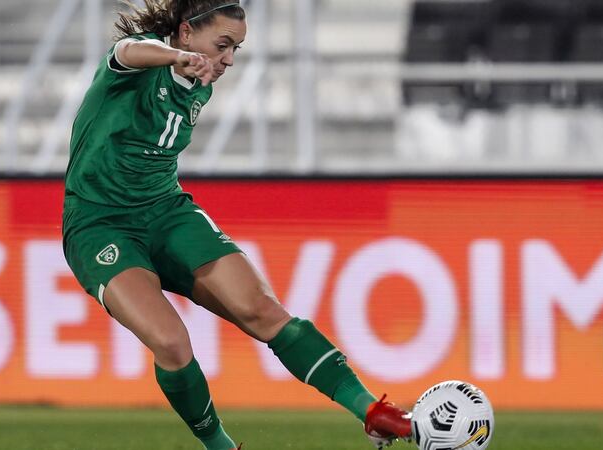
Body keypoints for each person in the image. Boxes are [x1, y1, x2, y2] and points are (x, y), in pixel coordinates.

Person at [62, 1, 411, 448]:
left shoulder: (200, 81)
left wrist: (190, 64)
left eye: (236, 49)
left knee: (265, 312)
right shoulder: (139, 64)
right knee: (171, 343)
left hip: (166, 210)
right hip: (100, 223)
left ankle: (372, 411)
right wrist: (174, 58)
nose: (228, 59)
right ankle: (221, 447)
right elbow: (128, 50)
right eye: (222, 45)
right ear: (185, 33)